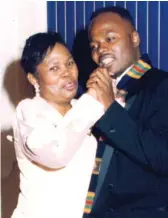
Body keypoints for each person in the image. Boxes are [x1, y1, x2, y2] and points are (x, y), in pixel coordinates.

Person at [11, 32, 109, 218]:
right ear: (33, 79)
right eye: (54, 68)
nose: (67, 72)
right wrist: (93, 98)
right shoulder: (29, 111)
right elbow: (56, 153)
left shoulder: (80, 109)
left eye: (70, 63)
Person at [84, 6, 168, 218]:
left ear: (135, 38)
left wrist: (110, 108)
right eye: (94, 45)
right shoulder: (93, 91)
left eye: (110, 38)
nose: (101, 49)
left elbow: (162, 156)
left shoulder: (161, 85)